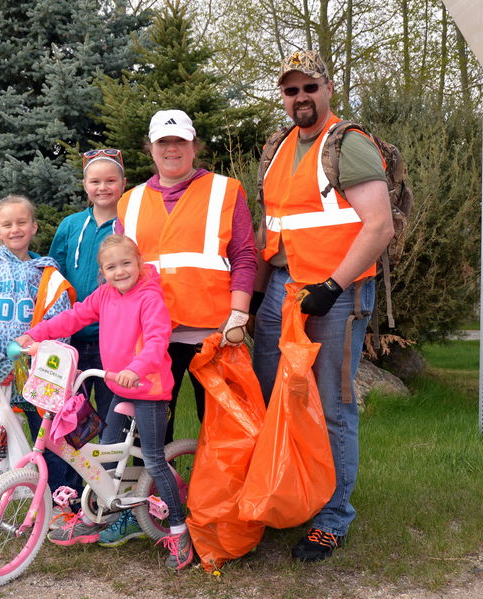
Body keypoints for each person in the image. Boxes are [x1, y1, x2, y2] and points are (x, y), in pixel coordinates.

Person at [252, 50, 394, 562]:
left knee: (333, 406)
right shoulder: (278, 147)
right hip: (283, 292)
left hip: (337, 294)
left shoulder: (349, 145)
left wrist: (333, 287)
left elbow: (379, 226)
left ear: (327, 88)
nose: (300, 98)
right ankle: (296, 496)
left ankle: (333, 518)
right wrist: (256, 294)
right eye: (291, 91)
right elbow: (275, 229)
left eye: (309, 87)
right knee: (278, 397)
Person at [15, 234, 194, 570]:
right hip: (119, 384)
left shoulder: (150, 298)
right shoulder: (105, 295)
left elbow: (157, 341)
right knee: (105, 454)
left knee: (155, 460)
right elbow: (75, 316)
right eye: (111, 267)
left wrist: (135, 368)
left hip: (149, 386)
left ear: (139, 263)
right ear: (103, 272)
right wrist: (36, 334)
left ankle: (179, 531)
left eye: (126, 263)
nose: (120, 271)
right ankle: (97, 514)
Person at [115, 109, 257, 445]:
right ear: (150, 148)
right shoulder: (130, 201)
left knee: (221, 426)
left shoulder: (225, 190)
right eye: (163, 141)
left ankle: (219, 496)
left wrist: (239, 314)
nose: (172, 148)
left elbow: (244, 255)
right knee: (148, 433)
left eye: (180, 140)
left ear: (195, 146)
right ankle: (150, 495)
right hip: (152, 337)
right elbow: (118, 270)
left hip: (213, 336)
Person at [0, 194, 74, 546]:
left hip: (40, 378)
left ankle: (61, 511)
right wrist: (0, 367)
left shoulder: (50, 277)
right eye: (7, 224)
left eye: (22, 222)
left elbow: (61, 327)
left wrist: (29, 367)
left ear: (34, 228)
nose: (15, 228)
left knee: (51, 441)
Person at [46, 149, 125, 528]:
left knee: (111, 417)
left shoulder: (129, 224)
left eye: (111, 180)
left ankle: (112, 497)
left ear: (123, 184)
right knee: (70, 418)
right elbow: (55, 275)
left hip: (113, 339)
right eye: (95, 181)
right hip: (72, 338)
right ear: (85, 186)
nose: (103, 187)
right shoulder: (70, 225)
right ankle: (73, 494)